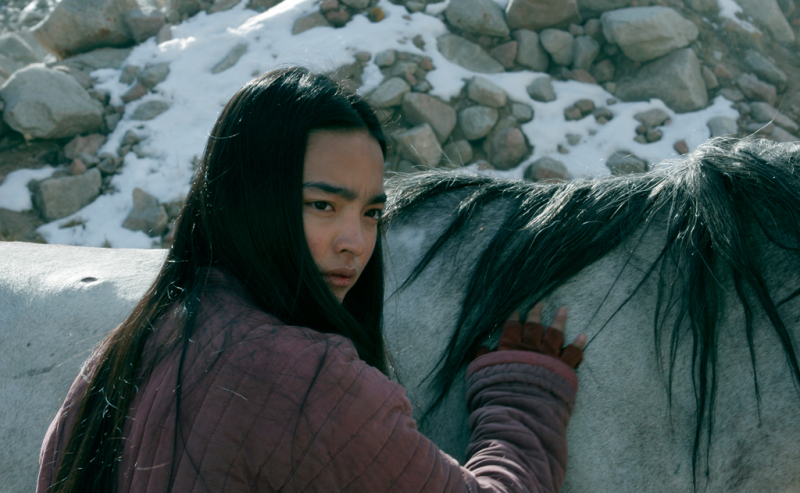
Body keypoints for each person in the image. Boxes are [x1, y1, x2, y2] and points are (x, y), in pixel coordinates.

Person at [37, 67, 586, 493]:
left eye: (371, 212)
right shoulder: (303, 376)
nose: (356, 242)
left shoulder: (122, 352)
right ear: (249, 202)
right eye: (322, 204)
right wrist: (524, 393)